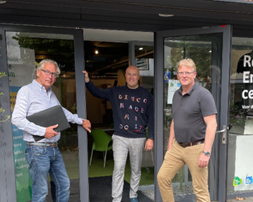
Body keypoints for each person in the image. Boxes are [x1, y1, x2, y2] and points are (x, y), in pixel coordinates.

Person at [12, 59, 92, 202]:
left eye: (54, 74)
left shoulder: (51, 93)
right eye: (47, 72)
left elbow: (61, 112)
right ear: (38, 72)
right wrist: (43, 131)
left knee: (64, 184)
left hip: (54, 149)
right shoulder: (26, 91)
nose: (50, 76)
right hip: (37, 150)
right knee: (41, 191)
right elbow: (17, 119)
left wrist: (81, 121)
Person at [83, 66, 154, 202]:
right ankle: (116, 198)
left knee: (136, 169)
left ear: (138, 77)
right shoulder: (116, 92)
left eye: (134, 75)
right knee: (118, 168)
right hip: (120, 137)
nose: (131, 77)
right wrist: (88, 81)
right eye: (129, 74)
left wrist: (150, 137)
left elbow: (151, 117)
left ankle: (133, 195)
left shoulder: (146, 95)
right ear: (125, 76)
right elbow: (97, 92)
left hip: (138, 137)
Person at [157, 58, 218, 202]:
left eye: (188, 73)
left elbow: (212, 124)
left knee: (200, 190)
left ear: (194, 74)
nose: (184, 75)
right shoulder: (176, 95)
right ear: (177, 75)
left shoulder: (203, 95)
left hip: (196, 148)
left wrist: (206, 152)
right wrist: (170, 144)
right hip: (178, 147)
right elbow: (175, 120)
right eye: (181, 72)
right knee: (162, 177)